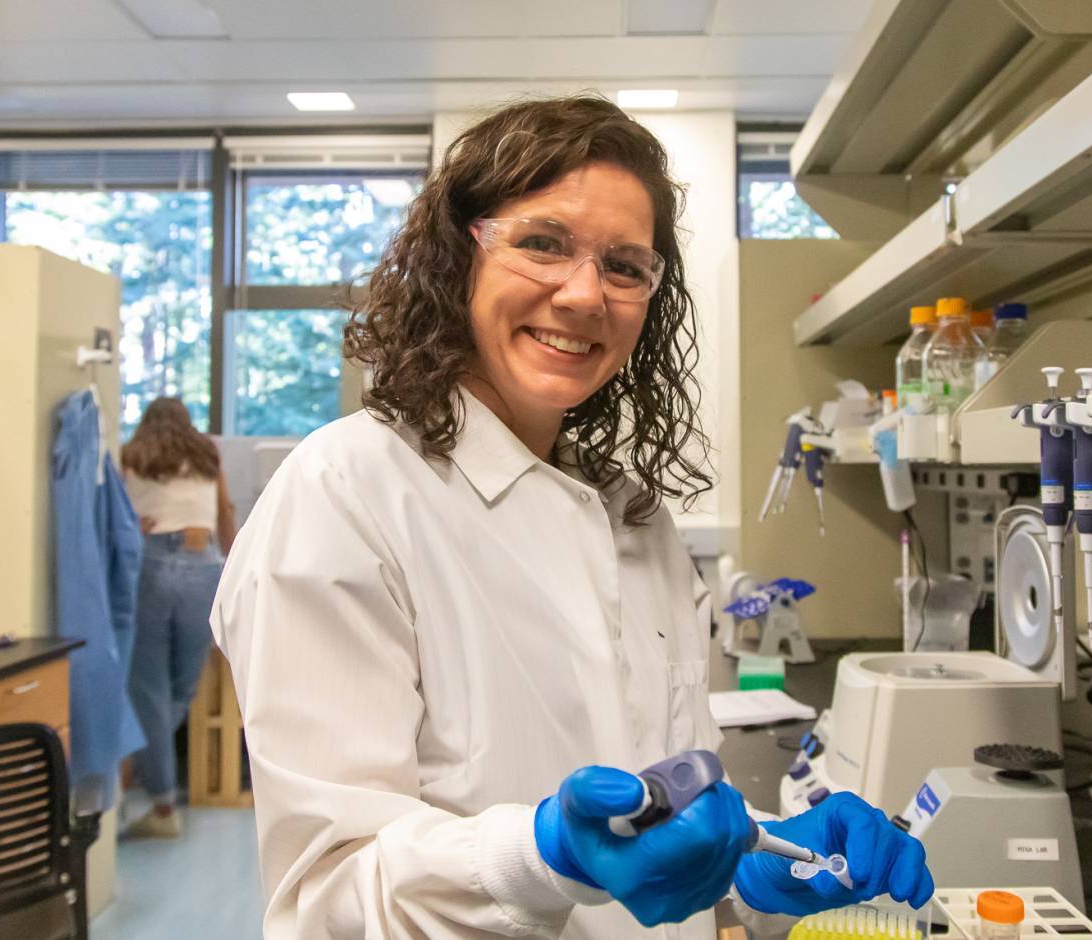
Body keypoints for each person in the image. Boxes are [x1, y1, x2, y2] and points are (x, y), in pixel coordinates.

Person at [211, 95, 933, 938]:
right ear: (460, 256)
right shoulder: (348, 494)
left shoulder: (633, 518)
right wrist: (543, 858)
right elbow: (326, 904)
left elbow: (661, 828)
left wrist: (759, 867)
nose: (586, 295)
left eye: (626, 266)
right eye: (542, 243)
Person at [120, 397, 238, 838]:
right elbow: (225, 514)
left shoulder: (131, 456)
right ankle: (142, 776)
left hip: (150, 563)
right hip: (202, 563)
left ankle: (158, 800)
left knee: (146, 687)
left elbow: (117, 517)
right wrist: (235, 566)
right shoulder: (207, 455)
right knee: (181, 687)